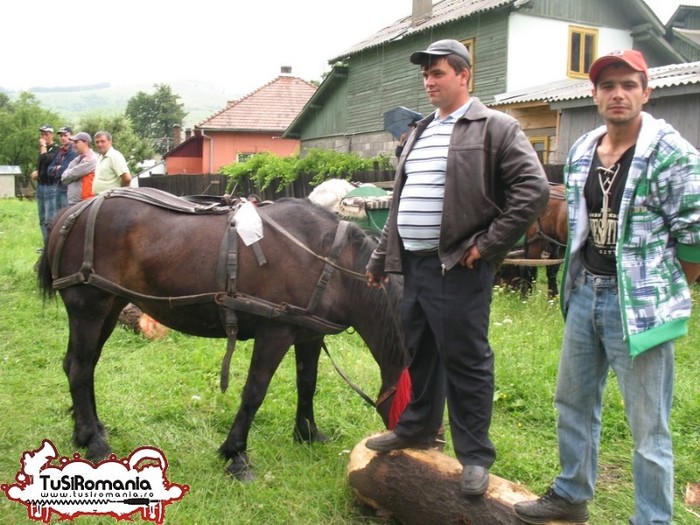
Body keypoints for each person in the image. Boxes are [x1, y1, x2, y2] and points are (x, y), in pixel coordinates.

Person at [514, 50, 700, 525]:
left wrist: (663, 288)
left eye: (629, 85)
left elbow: (695, 235)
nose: (618, 93)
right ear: (594, 94)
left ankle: (653, 519)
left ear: (646, 92)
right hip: (584, 295)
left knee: (648, 428)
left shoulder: (673, 154)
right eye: (608, 85)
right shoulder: (580, 151)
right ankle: (572, 496)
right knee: (572, 401)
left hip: (639, 305)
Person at [364, 39, 550, 497]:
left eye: (438, 73)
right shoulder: (422, 130)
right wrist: (379, 257)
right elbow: (400, 202)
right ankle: (418, 428)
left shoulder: (496, 127)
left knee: (467, 361)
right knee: (420, 352)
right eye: (425, 75)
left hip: (458, 268)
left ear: (464, 75)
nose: (428, 82)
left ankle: (474, 456)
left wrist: (486, 246)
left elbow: (533, 190)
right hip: (414, 266)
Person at [30, 124, 60, 244]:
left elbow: (47, 160)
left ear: (51, 135)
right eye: (42, 134)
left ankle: (51, 246)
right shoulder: (44, 150)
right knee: (42, 219)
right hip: (41, 186)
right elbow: (44, 164)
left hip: (50, 187)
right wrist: (39, 172)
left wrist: (43, 146)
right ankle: (46, 245)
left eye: (46, 134)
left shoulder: (56, 149)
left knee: (49, 219)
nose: (44, 137)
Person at [61, 132, 97, 205]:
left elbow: (70, 175)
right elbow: (63, 177)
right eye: (73, 142)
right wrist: (70, 174)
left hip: (85, 202)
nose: (73, 145)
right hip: (74, 202)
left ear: (85, 143)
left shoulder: (93, 159)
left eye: (76, 142)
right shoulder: (76, 160)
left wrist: (69, 174)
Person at [47, 126, 77, 210]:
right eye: (61, 136)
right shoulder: (61, 152)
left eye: (65, 135)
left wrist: (56, 169)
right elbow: (49, 170)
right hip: (58, 187)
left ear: (71, 136)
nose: (63, 138)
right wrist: (57, 168)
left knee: (66, 215)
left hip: (67, 189)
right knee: (58, 216)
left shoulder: (73, 152)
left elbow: (64, 171)